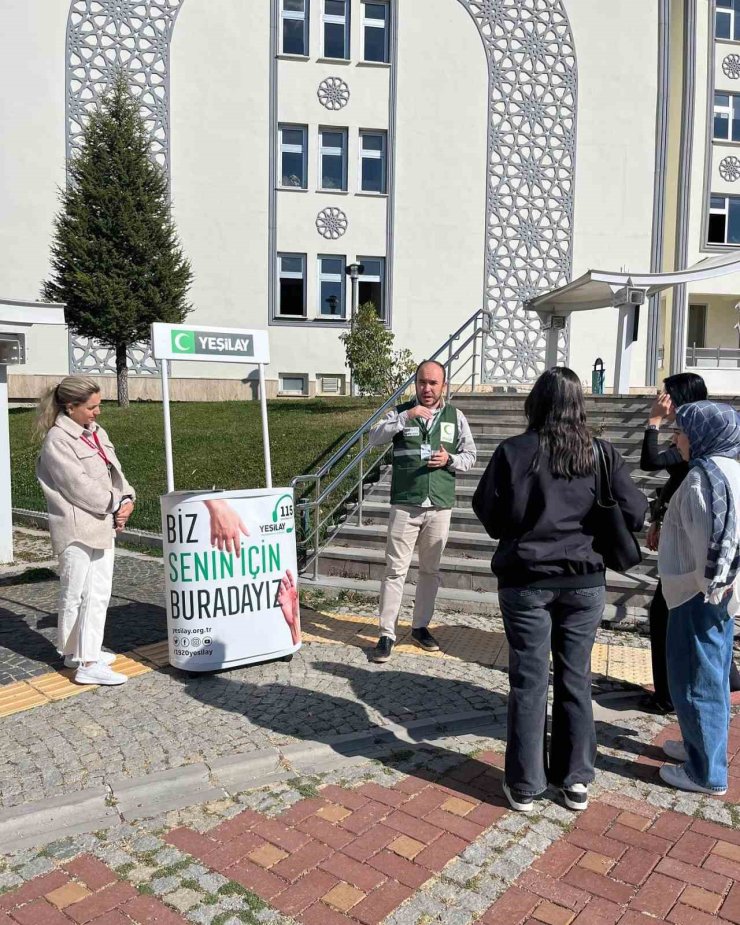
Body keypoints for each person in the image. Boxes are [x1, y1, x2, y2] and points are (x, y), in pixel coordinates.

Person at [473, 367, 647, 813]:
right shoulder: (599, 453)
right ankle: (575, 782)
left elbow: (487, 511)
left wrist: (520, 527)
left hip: (527, 578)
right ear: (578, 404)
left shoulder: (515, 450)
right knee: (576, 679)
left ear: (536, 402)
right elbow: (636, 508)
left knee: (529, 682)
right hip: (584, 580)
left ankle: (527, 785)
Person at [642, 373, 740, 712]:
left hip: (694, 546)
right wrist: (658, 516)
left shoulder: (697, 439)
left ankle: (671, 695)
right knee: (691, 619)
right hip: (681, 528)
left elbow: (652, 462)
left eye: (664, 395)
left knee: (674, 615)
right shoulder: (688, 437)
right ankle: (717, 680)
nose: (659, 399)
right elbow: (672, 479)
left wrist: (653, 423)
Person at [368, 359, 477, 663]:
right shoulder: (401, 412)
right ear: (415, 384)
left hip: (439, 506)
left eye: (433, 383)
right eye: (422, 383)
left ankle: (420, 627)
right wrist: (405, 418)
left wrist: (450, 460)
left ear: (444, 386)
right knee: (395, 571)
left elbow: (471, 455)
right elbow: (374, 436)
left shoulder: (456, 417)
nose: (427, 389)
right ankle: (386, 634)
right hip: (405, 504)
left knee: (430, 571)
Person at [658, 401, 740, 796]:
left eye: (683, 431)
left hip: (696, 592)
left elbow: (705, 543)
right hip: (720, 592)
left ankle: (706, 773)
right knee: (714, 673)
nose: (677, 438)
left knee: (695, 679)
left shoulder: (701, 481)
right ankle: (700, 748)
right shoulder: (731, 470)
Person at [36, 376, 135, 686]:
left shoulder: (96, 433)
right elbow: (78, 487)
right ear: (71, 406)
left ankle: (80, 652)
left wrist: (127, 498)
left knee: (98, 593)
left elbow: (115, 471)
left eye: (99, 405)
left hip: (101, 523)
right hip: (77, 528)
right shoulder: (58, 440)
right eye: (92, 407)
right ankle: (87, 663)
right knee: (78, 594)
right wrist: (116, 503)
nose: (98, 412)